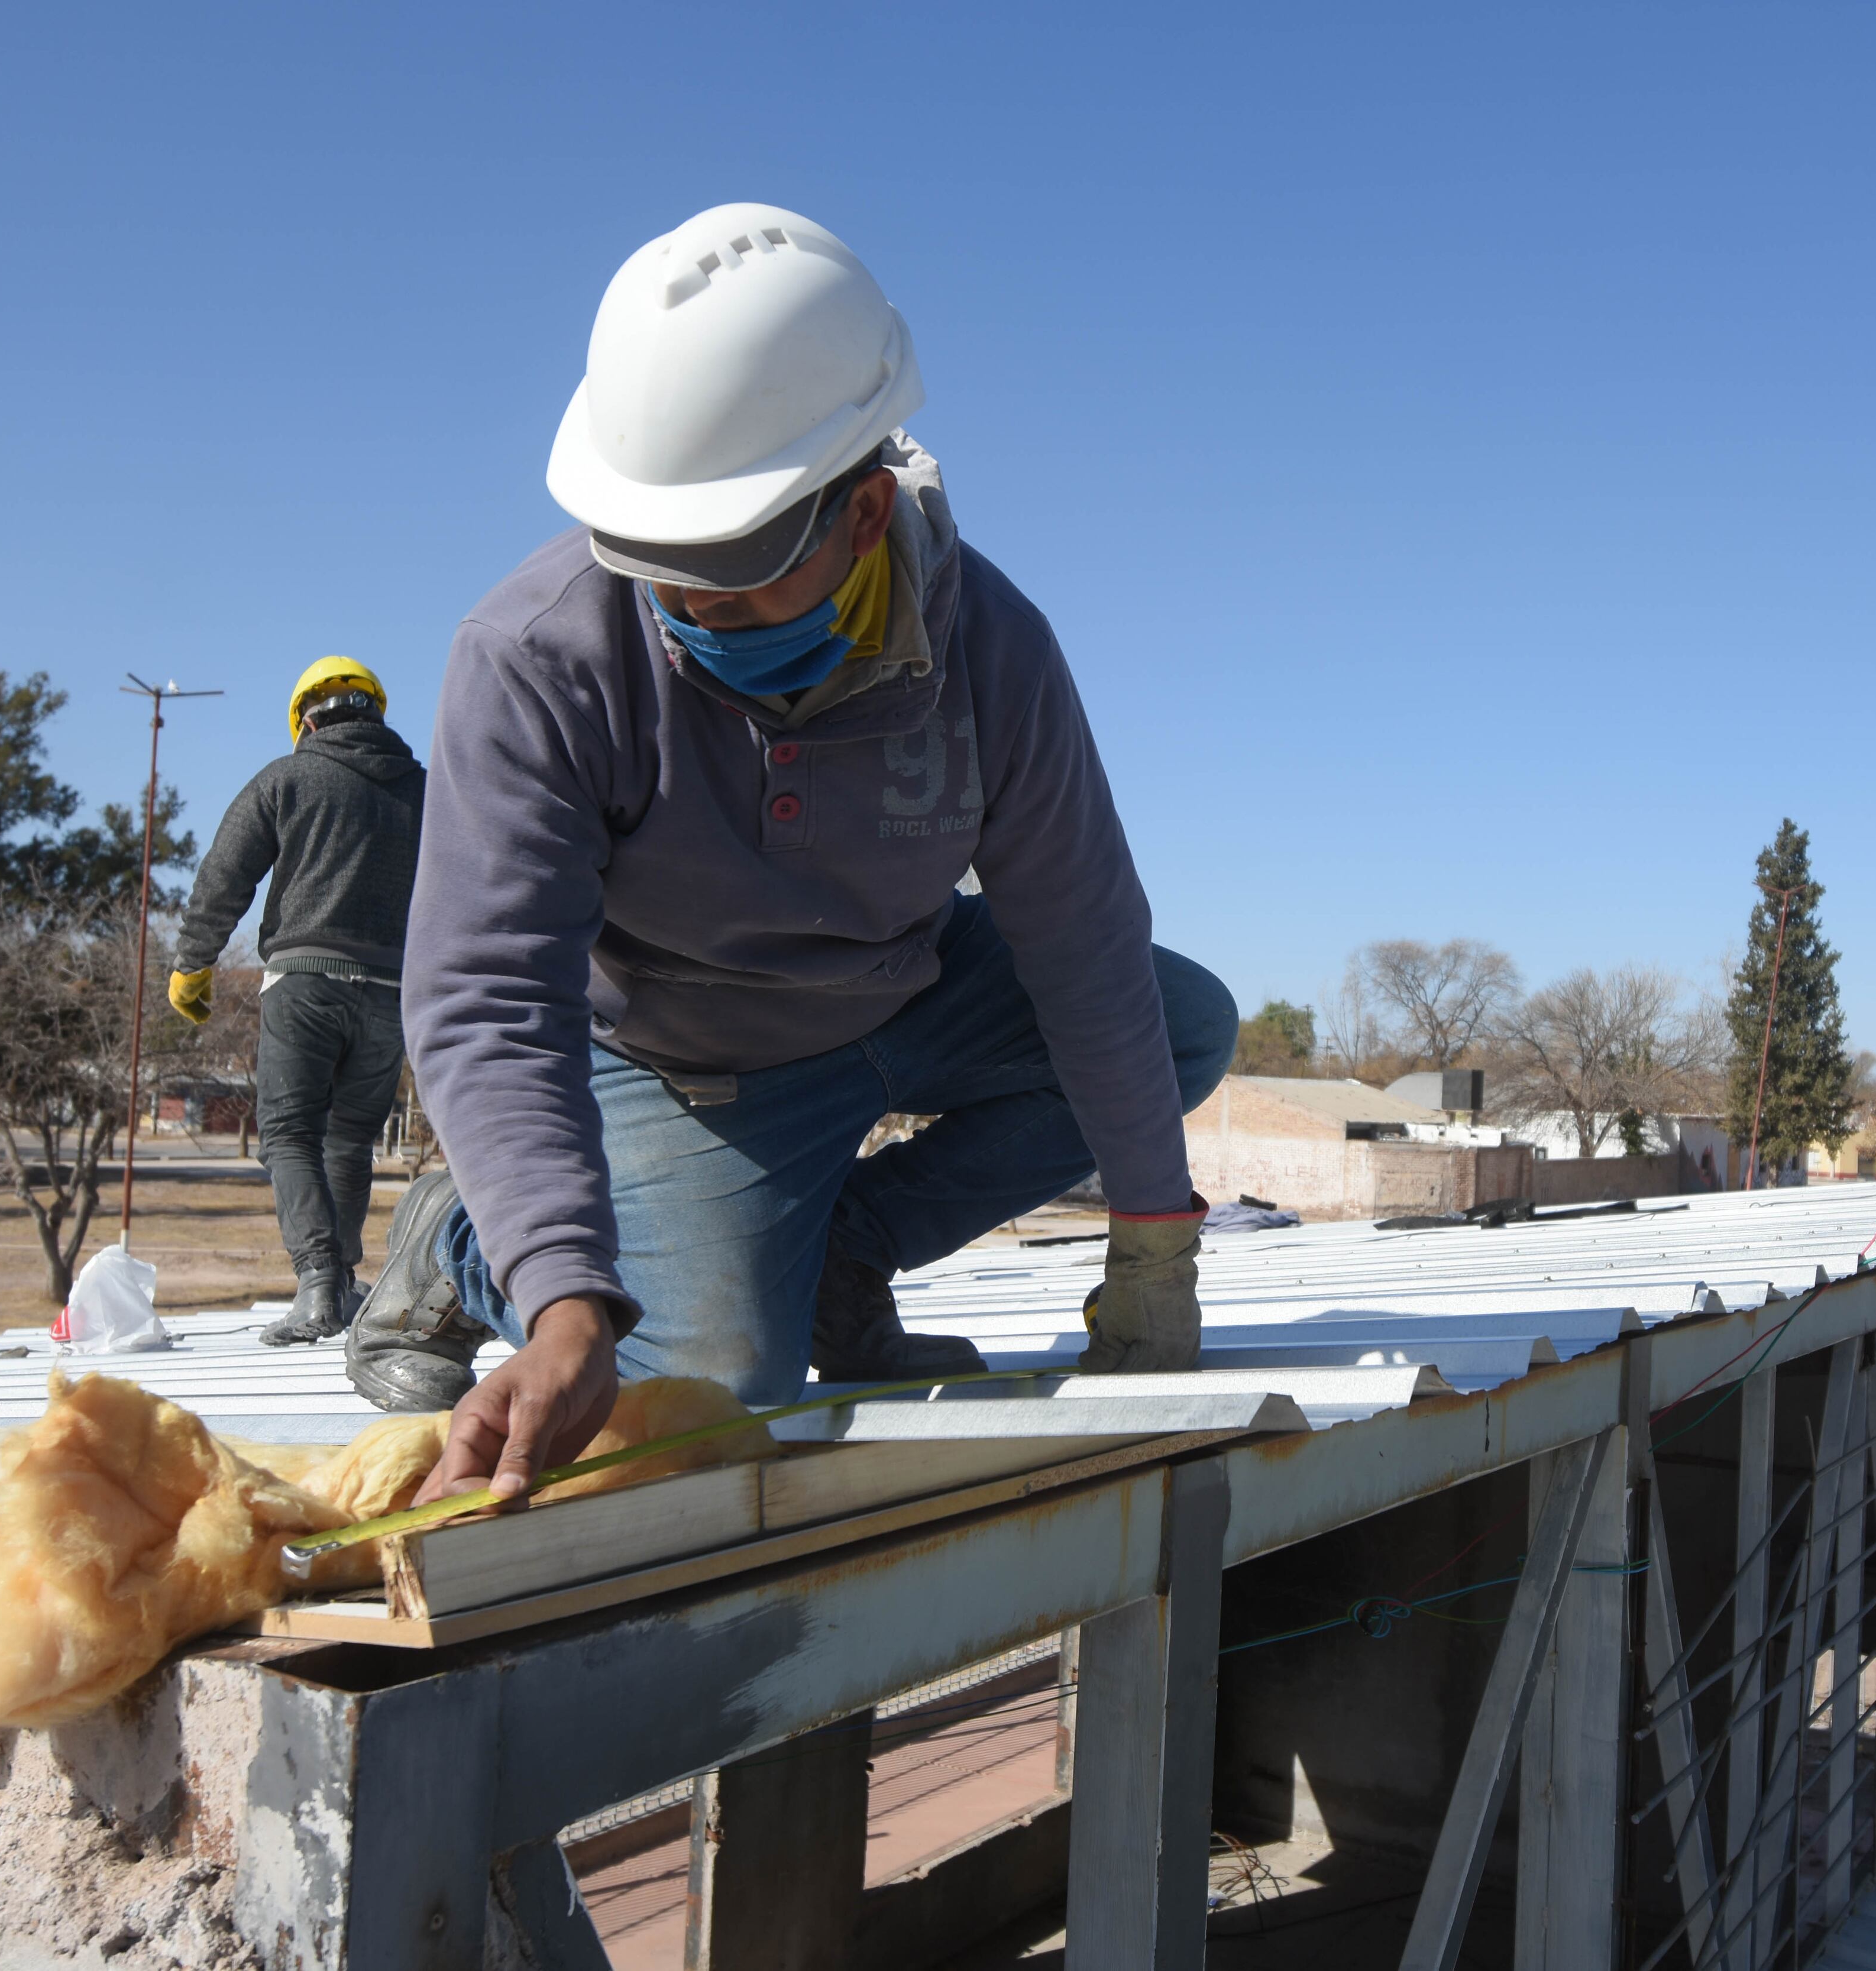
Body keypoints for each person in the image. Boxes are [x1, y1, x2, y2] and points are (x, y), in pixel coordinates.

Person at [354, 204, 1234, 1506]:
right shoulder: (536, 658)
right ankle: (468, 1244)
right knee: (712, 1395)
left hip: (900, 988)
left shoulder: (992, 649)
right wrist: (564, 1292)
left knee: (1178, 1026)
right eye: (657, 568)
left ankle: (839, 1253)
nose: (695, 606)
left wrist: (1154, 1246)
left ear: (864, 510)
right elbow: (487, 992)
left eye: (736, 565)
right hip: (682, 1061)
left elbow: (1082, 936)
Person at [169, 658, 428, 1345]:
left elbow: (225, 874)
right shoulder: (427, 791)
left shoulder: (286, 778)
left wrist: (194, 962)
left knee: (288, 1135)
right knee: (349, 1139)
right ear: (375, 713)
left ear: (305, 720)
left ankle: (317, 1285)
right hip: (390, 990)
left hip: (304, 981)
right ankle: (339, 1285)